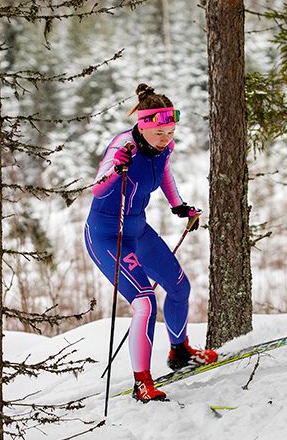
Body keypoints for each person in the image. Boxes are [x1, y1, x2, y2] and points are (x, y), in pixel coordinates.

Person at [84, 83, 217, 403]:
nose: (166, 138)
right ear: (143, 126)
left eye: (171, 131)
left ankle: (179, 350)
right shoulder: (122, 147)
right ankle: (142, 382)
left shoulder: (164, 149)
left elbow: (165, 174)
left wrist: (179, 205)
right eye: (160, 132)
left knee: (180, 287)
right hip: (106, 235)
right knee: (144, 301)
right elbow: (97, 190)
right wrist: (117, 170)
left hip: (138, 230)